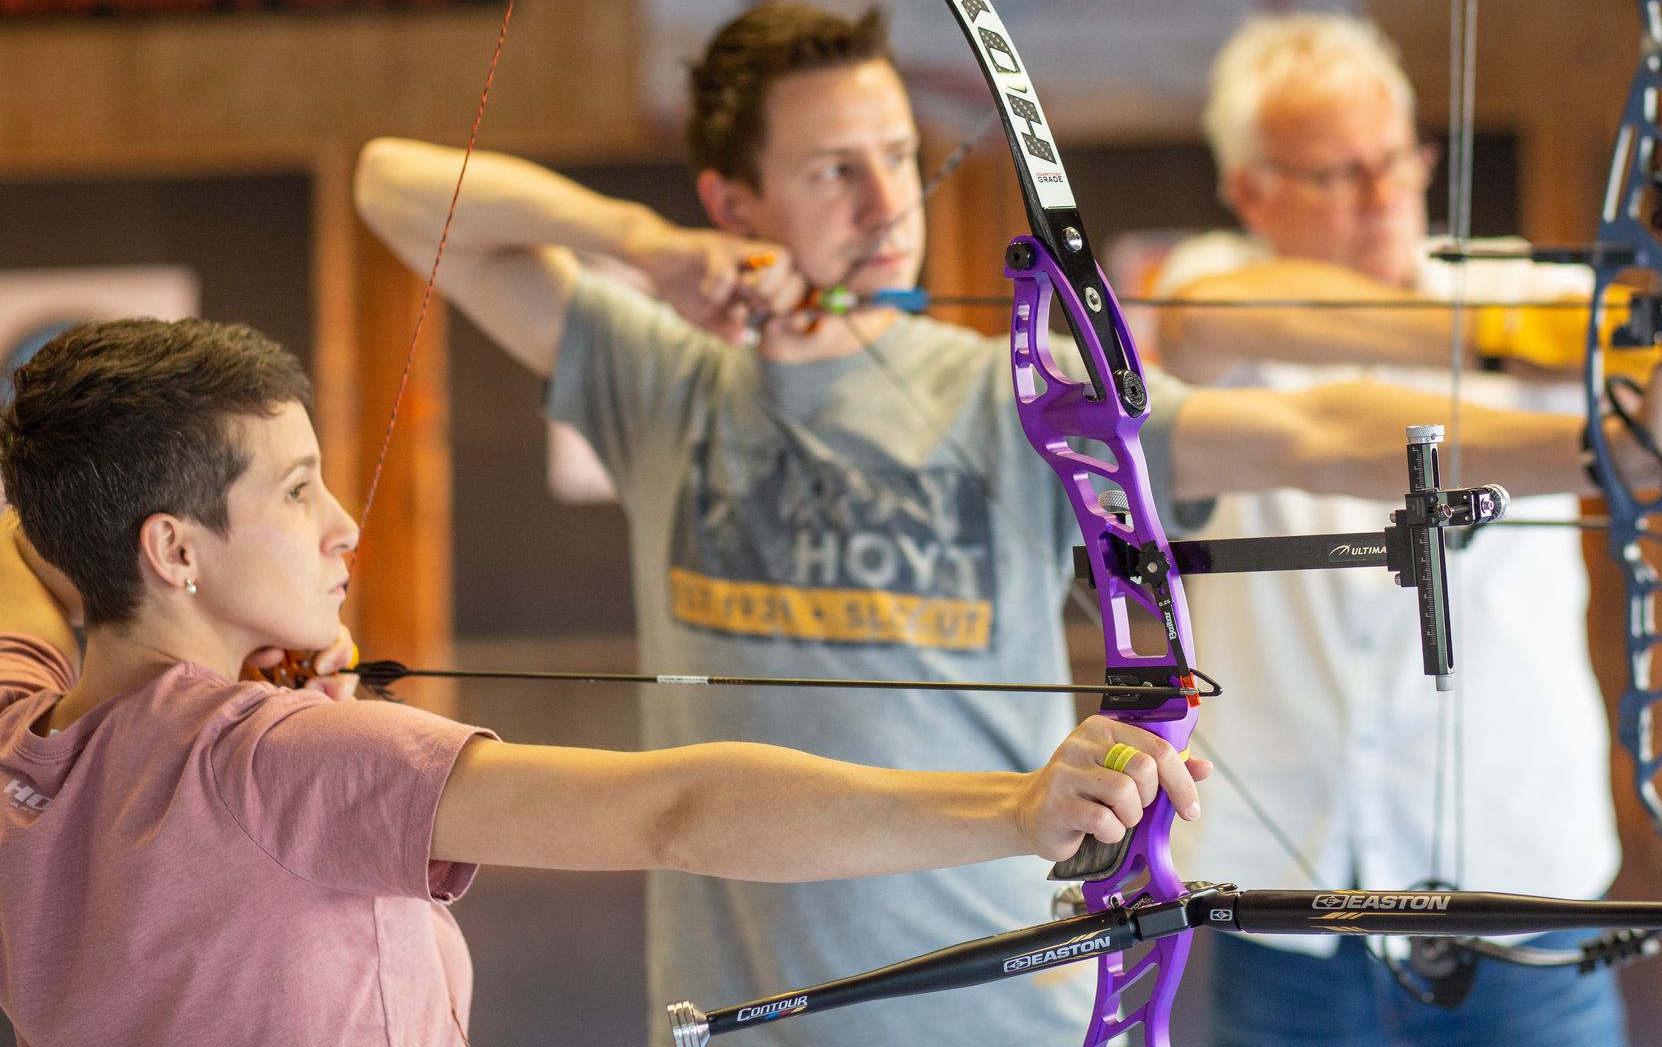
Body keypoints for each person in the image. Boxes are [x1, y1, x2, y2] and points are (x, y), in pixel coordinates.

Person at [354, 3, 1662, 1046]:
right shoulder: (660, 377)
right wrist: (646, 249)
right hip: (762, 1009)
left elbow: (1302, 428)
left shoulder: (1012, 394)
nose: (884, 203)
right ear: (735, 197)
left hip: (1011, 1003)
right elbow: (395, 187)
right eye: (828, 170)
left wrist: (1609, 448)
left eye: (894, 158)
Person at [0, 316, 1210, 1046]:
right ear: (171, 547)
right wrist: (1014, 808)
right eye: (297, 486)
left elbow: (30, 546)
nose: (344, 523)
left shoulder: (22, 730)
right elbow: (672, 809)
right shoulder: (274, 758)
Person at [1154, 12, 1662, 1047]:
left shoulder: (1527, 287)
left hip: (1524, 882)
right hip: (1285, 890)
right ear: (1250, 190)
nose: (1385, 195)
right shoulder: (1214, 286)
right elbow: (1206, 319)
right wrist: (1505, 331)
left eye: (1396, 157)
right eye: (1338, 174)